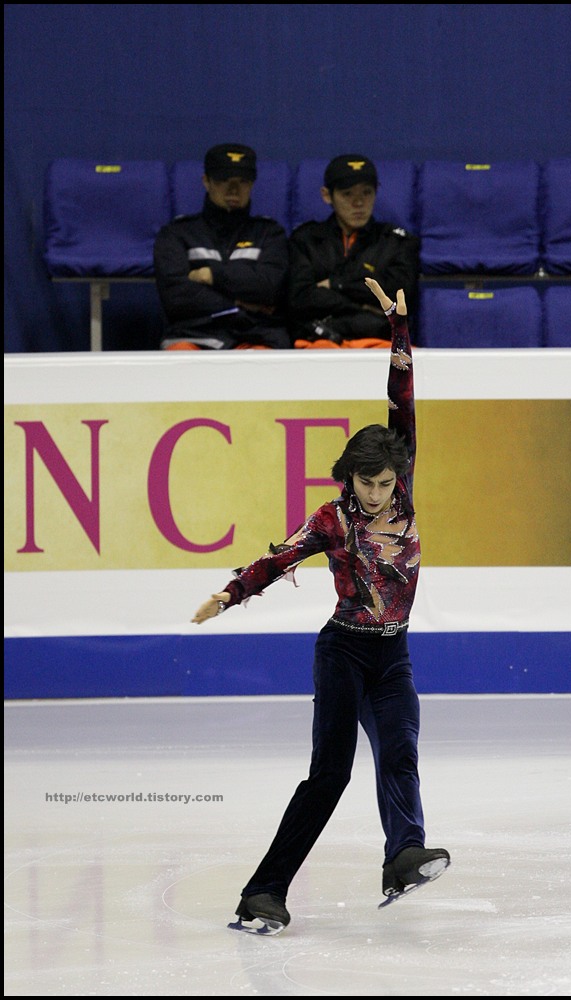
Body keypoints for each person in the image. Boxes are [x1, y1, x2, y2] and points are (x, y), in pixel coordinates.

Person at [191, 277, 450, 935]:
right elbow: (281, 558)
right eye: (367, 482)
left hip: (392, 655)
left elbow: (402, 401)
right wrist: (231, 592)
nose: (377, 493)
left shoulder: (405, 495)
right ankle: (263, 893)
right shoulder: (331, 520)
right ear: (348, 478)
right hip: (342, 655)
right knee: (327, 777)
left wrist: (398, 329)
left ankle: (402, 858)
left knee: (400, 752)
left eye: (386, 481)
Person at [153, 143, 291, 350]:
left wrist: (212, 275)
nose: (233, 190)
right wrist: (238, 304)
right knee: (180, 356)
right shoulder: (177, 234)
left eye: (242, 181)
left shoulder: (270, 233)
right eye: (223, 180)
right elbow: (177, 298)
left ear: (252, 184)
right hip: (193, 336)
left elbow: (270, 288)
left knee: (266, 364)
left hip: (255, 337)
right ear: (206, 182)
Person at [287, 154, 421, 348]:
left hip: (380, 341)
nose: (358, 203)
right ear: (327, 195)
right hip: (320, 342)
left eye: (366, 193)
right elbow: (299, 299)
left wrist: (337, 284)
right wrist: (363, 306)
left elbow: (399, 297)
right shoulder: (306, 239)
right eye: (348, 194)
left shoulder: (397, 242)